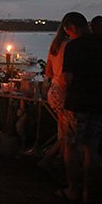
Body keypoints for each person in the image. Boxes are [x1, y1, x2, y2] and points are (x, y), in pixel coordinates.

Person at [57, 12, 102, 204]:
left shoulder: (74, 46)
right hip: (99, 103)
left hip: (77, 104)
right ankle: (88, 193)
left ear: (71, 27)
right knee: (92, 148)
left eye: (67, 30)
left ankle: (73, 189)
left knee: (71, 146)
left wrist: (63, 87)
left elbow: (67, 79)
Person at [37, 21, 68, 171]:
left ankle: (59, 161)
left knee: (64, 131)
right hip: (64, 91)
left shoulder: (55, 46)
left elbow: (48, 73)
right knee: (68, 134)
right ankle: (49, 161)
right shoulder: (72, 46)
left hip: (54, 91)